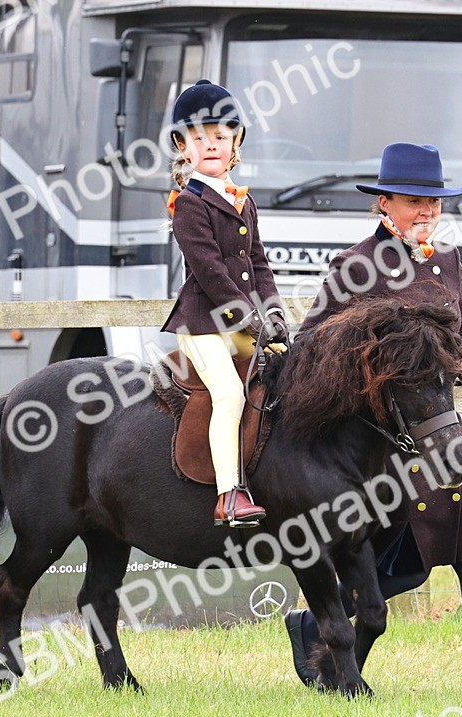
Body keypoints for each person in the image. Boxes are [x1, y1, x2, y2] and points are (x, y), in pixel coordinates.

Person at [283, 142, 462, 692]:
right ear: (384, 203)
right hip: (390, 444)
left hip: (445, 433)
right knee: (407, 567)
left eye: (435, 202)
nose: (427, 212)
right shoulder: (356, 265)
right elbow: (309, 345)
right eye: (415, 201)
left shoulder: (449, 262)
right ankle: (312, 624)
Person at [160, 79, 289, 527]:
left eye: (220, 136)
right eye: (199, 137)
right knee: (230, 394)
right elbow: (212, 274)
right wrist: (251, 319)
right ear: (183, 145)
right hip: (201, 324)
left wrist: (273, 311)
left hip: (242, 322)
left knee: (286, 378)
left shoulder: (243, 199)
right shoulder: (189, 204)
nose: (210, 145)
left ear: (235, 142)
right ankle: (228, 496)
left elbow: (259, 263)